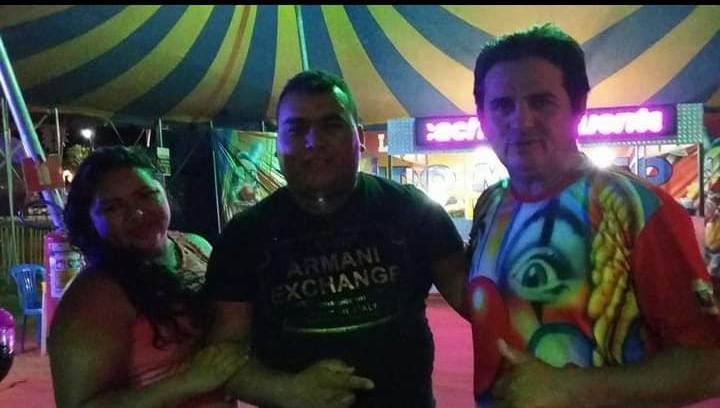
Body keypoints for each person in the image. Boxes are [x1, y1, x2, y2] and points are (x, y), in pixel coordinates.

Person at [466, 23, 720, 407]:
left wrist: (574, 388)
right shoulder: (490, 205)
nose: (521, 121)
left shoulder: (636, 207)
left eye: (541, 102)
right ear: (482, 116)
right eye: (502, 105)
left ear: (578, 107)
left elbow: (709, 364)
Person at [204, 70, 468, 407]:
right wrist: (285, 390)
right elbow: (223, 352)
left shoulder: (413, 211)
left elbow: (478, 302)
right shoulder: (244, 236)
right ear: (277, 144)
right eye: (296, 129)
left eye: (332, 125)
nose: (314, 141)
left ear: (359, 136)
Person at [49, 146, 248, 407]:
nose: (137, 214)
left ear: (163, 191)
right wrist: (189, 381)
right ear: (89, 221)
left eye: (145, 195)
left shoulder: (196, 247)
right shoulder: (94, 296)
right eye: (113, 207)